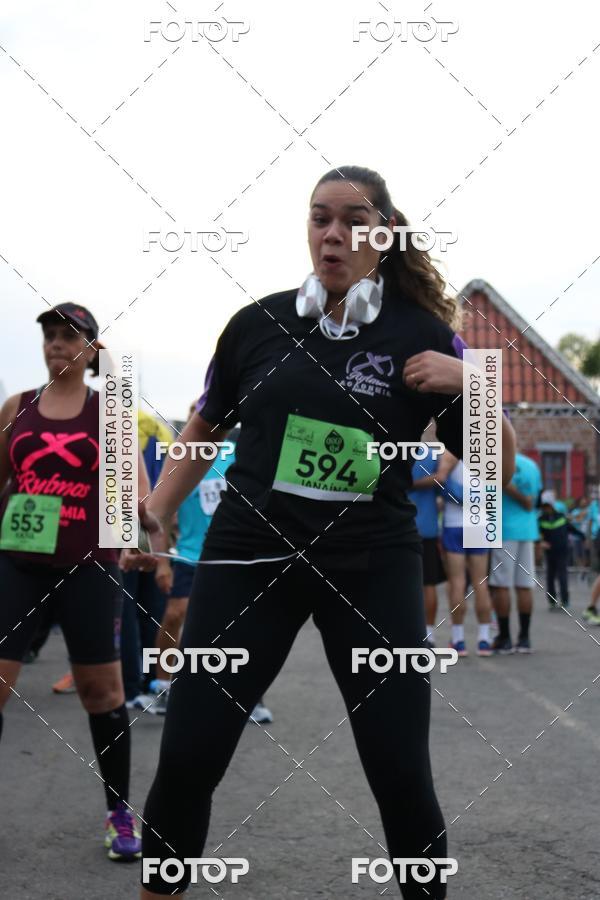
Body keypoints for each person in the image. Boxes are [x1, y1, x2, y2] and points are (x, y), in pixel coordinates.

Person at [131, 165, 515, 899]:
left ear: (385, 234)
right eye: (319, 218)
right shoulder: (257, 324)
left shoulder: (424, 336)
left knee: (399, 768)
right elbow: (204, 427)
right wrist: (154, 510)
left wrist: (477, 381)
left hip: (369, 565)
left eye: (353, 220)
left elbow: (494, 466)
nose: (333, 234)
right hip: (251, 557)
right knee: (187, 754)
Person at [0, 303, 150, 861]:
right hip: (17, 562)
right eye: (49, 334)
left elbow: (135, 489)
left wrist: (138, 539)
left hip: (88, 566)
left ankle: (119, 814)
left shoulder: (108, 411)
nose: (56, 343)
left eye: (69, 335)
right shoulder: (16, 407)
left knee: (102, 694)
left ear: (90, 349)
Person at [147, 419, 272, 721]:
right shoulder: (182, 457)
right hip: (189, 554)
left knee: (243, 625)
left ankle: (250, 697)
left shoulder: (238, 454)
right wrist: (162, 563)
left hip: (234, 556)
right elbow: (164, 514)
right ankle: (164, 687)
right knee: (175, 614)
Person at [121, 410, 174, 712]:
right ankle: (154, 681)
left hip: (123, 529)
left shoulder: (119, 436)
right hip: (157, 528)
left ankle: (130, 686)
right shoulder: (164, 438)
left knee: (125, 610)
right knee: (153, 610)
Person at [489, 450, 543, 653]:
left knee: (501, 585)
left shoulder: (494, 462)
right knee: (524, 585)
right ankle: (525, 639)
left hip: (504, 529)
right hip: (528, 529)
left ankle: (504, 638)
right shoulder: (531, 465)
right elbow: (536, 497)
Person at [441, 457, 494, 657]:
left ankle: (458, 640)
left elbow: (441, 479)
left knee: (457, 582)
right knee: (481, 582)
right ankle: (484, 639)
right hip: (480, 522)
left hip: (455, 523)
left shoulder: (450, 453)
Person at [407, 442, 453, 648]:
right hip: (426, 528)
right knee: (428, 584)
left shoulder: (392, 448)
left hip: (399, 528)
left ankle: (403, 632)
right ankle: (429, 634)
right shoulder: (433, 455)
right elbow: (444, 487)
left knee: (396, 584)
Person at [539, 490, 585, 610]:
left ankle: (565, 601)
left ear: (552, 505)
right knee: (550, 577)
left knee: (562, 576)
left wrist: (583, 536)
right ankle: (552, 601)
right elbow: (536, 534)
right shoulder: (541, 519)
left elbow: (572, 529)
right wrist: (541, 542)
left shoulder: (561, 517)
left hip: (562, 551)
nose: (546, 508)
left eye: (548, 505)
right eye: (544, 506)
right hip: (549, 552)